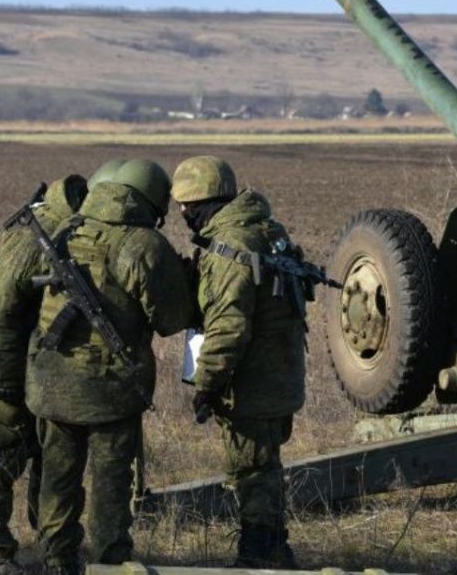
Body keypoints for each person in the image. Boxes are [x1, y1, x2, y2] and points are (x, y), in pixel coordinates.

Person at [25, 158, 193, 575]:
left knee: (57, 480)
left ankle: (56, 560)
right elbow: (172, 320)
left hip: (51, 382)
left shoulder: (63, 230)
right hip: (110, 389)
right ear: (150, 203)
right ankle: (108, 564)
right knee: (111, 486)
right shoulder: (143, 245)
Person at [171, 155, 307, 568]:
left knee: (252, 474)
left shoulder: (231, 248)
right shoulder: (265, 230)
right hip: (280, 372)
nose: (181, 215)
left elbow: (228, 328)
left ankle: (258, 557)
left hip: (253, 382)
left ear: (200, 203)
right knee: (264, 467)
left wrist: (208, 386)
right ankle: (275, 552)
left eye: (185, 208)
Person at [0, 174, 88, 575]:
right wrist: (2, 377)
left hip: (36, 367)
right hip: (6, 364)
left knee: (47, 455)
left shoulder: (50, 230)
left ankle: (51, 546)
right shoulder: (32, 239)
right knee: (3, 452)